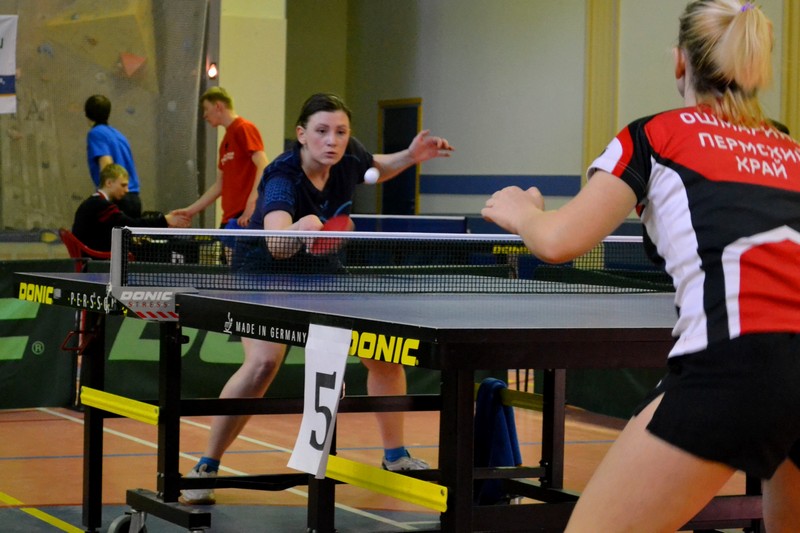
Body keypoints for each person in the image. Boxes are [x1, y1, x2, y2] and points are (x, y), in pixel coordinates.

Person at [482, 1, 800, 531]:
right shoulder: (791, 149)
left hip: (738, 364)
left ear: (680, 62)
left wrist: (522, 212)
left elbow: (558, 243)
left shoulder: (654, 137)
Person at [181, 92, 454, 505]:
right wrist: (303, 226)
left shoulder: (347, 156)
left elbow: (375, 167)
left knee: (383, 353)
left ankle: (396, 456)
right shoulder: (282, 176)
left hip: (321, 270)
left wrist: (411, 155)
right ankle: (206, 465)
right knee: (262, 365)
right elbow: (276, 243)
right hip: (263, 272)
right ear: (301, 134)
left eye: (340, 132)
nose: (333, 140)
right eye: (322, 131)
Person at [181, 87, 269, 229]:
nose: (204, 115)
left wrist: (252, 203)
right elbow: (219, 185)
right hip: (229, 217)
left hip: (244, 217)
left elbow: (263, 165)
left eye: (206, 109)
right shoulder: (225, 142)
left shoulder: (244, 128)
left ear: (218, 106)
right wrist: (190, 211)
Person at [72, 164, 190, 251]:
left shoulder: (94, 202)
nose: (127, 190)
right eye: (123, 185)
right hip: (95, 258)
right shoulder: (101, 205)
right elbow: (131, 225)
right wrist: (164, 219)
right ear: (109, 183)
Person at [85, 95, 143, 218]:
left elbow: (107, 164)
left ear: (87, 114)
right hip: (133, 198)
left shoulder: (96, 133)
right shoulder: (119, 135)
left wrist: (104, 199)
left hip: (117, 198)